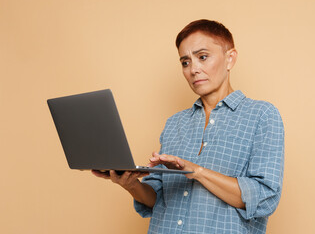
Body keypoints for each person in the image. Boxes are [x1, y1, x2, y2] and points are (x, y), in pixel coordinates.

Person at [92, 19, 284, 234]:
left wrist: (195, 171)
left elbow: (264, 198)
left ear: (230, 58)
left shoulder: (262, 115)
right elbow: (157, 199)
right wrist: (130, 184)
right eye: (185, 62)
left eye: (202, 57)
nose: (193, 69)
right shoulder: (175, 123)